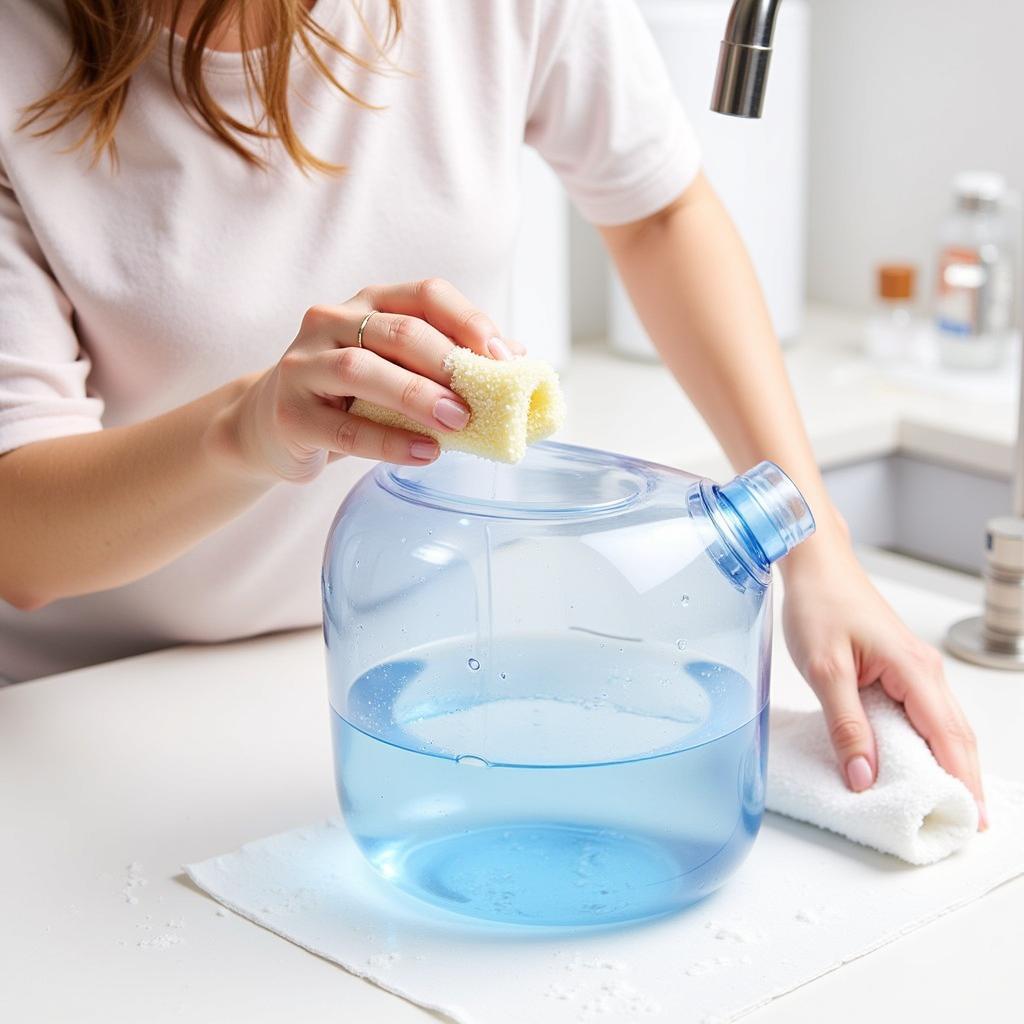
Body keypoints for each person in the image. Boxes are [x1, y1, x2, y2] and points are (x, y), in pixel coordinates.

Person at [0, 0, 984, 824]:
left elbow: (658, 212)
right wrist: (248, 429)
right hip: (94, 726)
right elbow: (21, 537)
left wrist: (812, 541)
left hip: (417, 664)